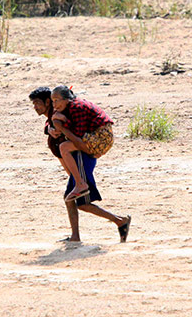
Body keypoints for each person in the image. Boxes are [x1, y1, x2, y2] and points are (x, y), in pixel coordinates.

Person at [29, 86, 131, 243]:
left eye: (37, 103)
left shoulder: (68, 110)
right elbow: (54, 128)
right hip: (79, 158)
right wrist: (51, 128)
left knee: (77, 200)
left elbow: (77, 134)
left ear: (48, 102)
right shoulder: (56, 115)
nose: (35, 107)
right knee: (77, 201)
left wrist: (60, 127)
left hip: (83, 157)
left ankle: (115, 221)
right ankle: (117, 222)